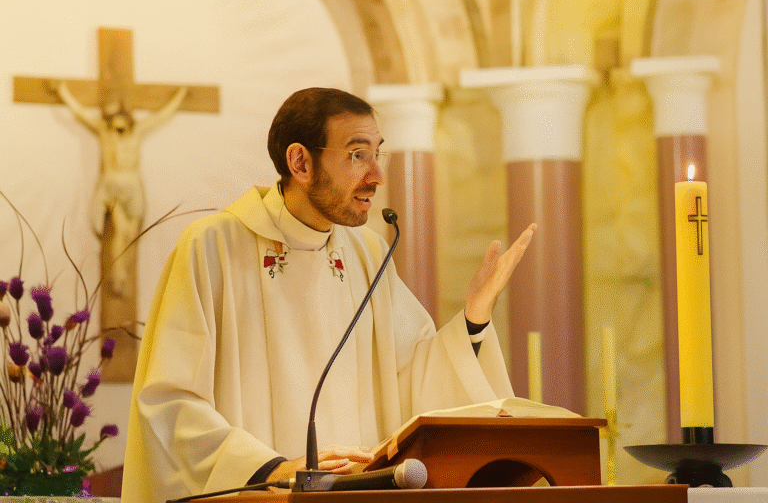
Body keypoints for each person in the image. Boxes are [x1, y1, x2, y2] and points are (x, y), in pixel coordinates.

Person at [121, 87, 536, 502]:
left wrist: (474, 319)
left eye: (378, 153)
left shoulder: (368, 253)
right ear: (300, 162)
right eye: (357, 155)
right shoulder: (212, 248)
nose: (377, 176)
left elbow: (413, 375)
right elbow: (170, 404)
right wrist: (272, 469)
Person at [54, 82, 188, 297]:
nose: (119, 131)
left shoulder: (138, 132)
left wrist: (180, 95)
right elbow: (80, 114)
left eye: (123, 127)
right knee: (118, 233)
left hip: (132, 186)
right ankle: (118, 278)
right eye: (115, 127)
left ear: (128, 121)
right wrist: (63, 92)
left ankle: (123, 274)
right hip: (111, 185)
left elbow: (162, 116)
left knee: (131, 235)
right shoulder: (103, 132)